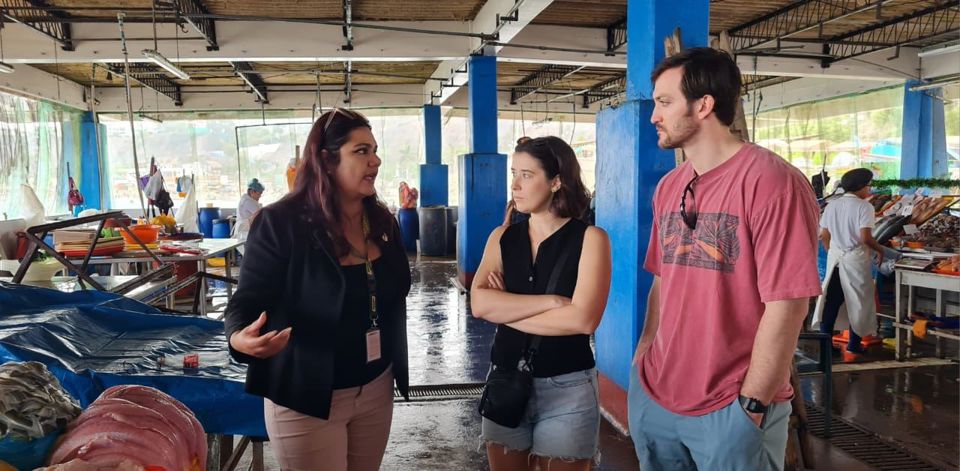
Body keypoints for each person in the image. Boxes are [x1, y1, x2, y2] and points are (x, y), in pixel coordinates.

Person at [629, 47, 822, 471]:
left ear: (703, 105)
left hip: (731, 406)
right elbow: (663, 279)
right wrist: (642, 357)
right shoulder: (670, 186)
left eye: (664, 102)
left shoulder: (773, 183)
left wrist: (752, 403)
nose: (654, 116)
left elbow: (788, 304)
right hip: (657, 397)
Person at [224, 108, 411, 471]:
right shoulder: (281, 224)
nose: (375, 160)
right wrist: (239, 339)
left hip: (375, 386)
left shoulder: (383, 222)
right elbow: (246, 301)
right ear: (326, 160)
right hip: (306, 394)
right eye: (361, 151)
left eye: (374, 150)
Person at [471, 136, 612, 471]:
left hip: (569, 388)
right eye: (513, 173)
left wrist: (504, 309)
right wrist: (550, 302)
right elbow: (478, 304)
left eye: (527, 175)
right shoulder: (502, 238)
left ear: (556, 181)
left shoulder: (591, 239)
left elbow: (582, 321)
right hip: (505, 378)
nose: (515, 185)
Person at [812, 168, 885, 356]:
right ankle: (854, 344)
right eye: (869, 185)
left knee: (832, 301)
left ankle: (826, 343)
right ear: (860, 186)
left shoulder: (832, 205)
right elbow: (865, 238)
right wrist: (880, 250)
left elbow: (824, 234)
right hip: (856, 259)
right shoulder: (865, 207)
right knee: (859, 301)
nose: (870, 189)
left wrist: (832, 251)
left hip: (836, 259)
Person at [233, 178, 264, 255]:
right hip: (243, 231)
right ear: (252, 192)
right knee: (249, 254)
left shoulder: (248, 199)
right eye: (259, 193)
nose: (260, 196)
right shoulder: (248, 201)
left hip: (246, 230)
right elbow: (261, 214)